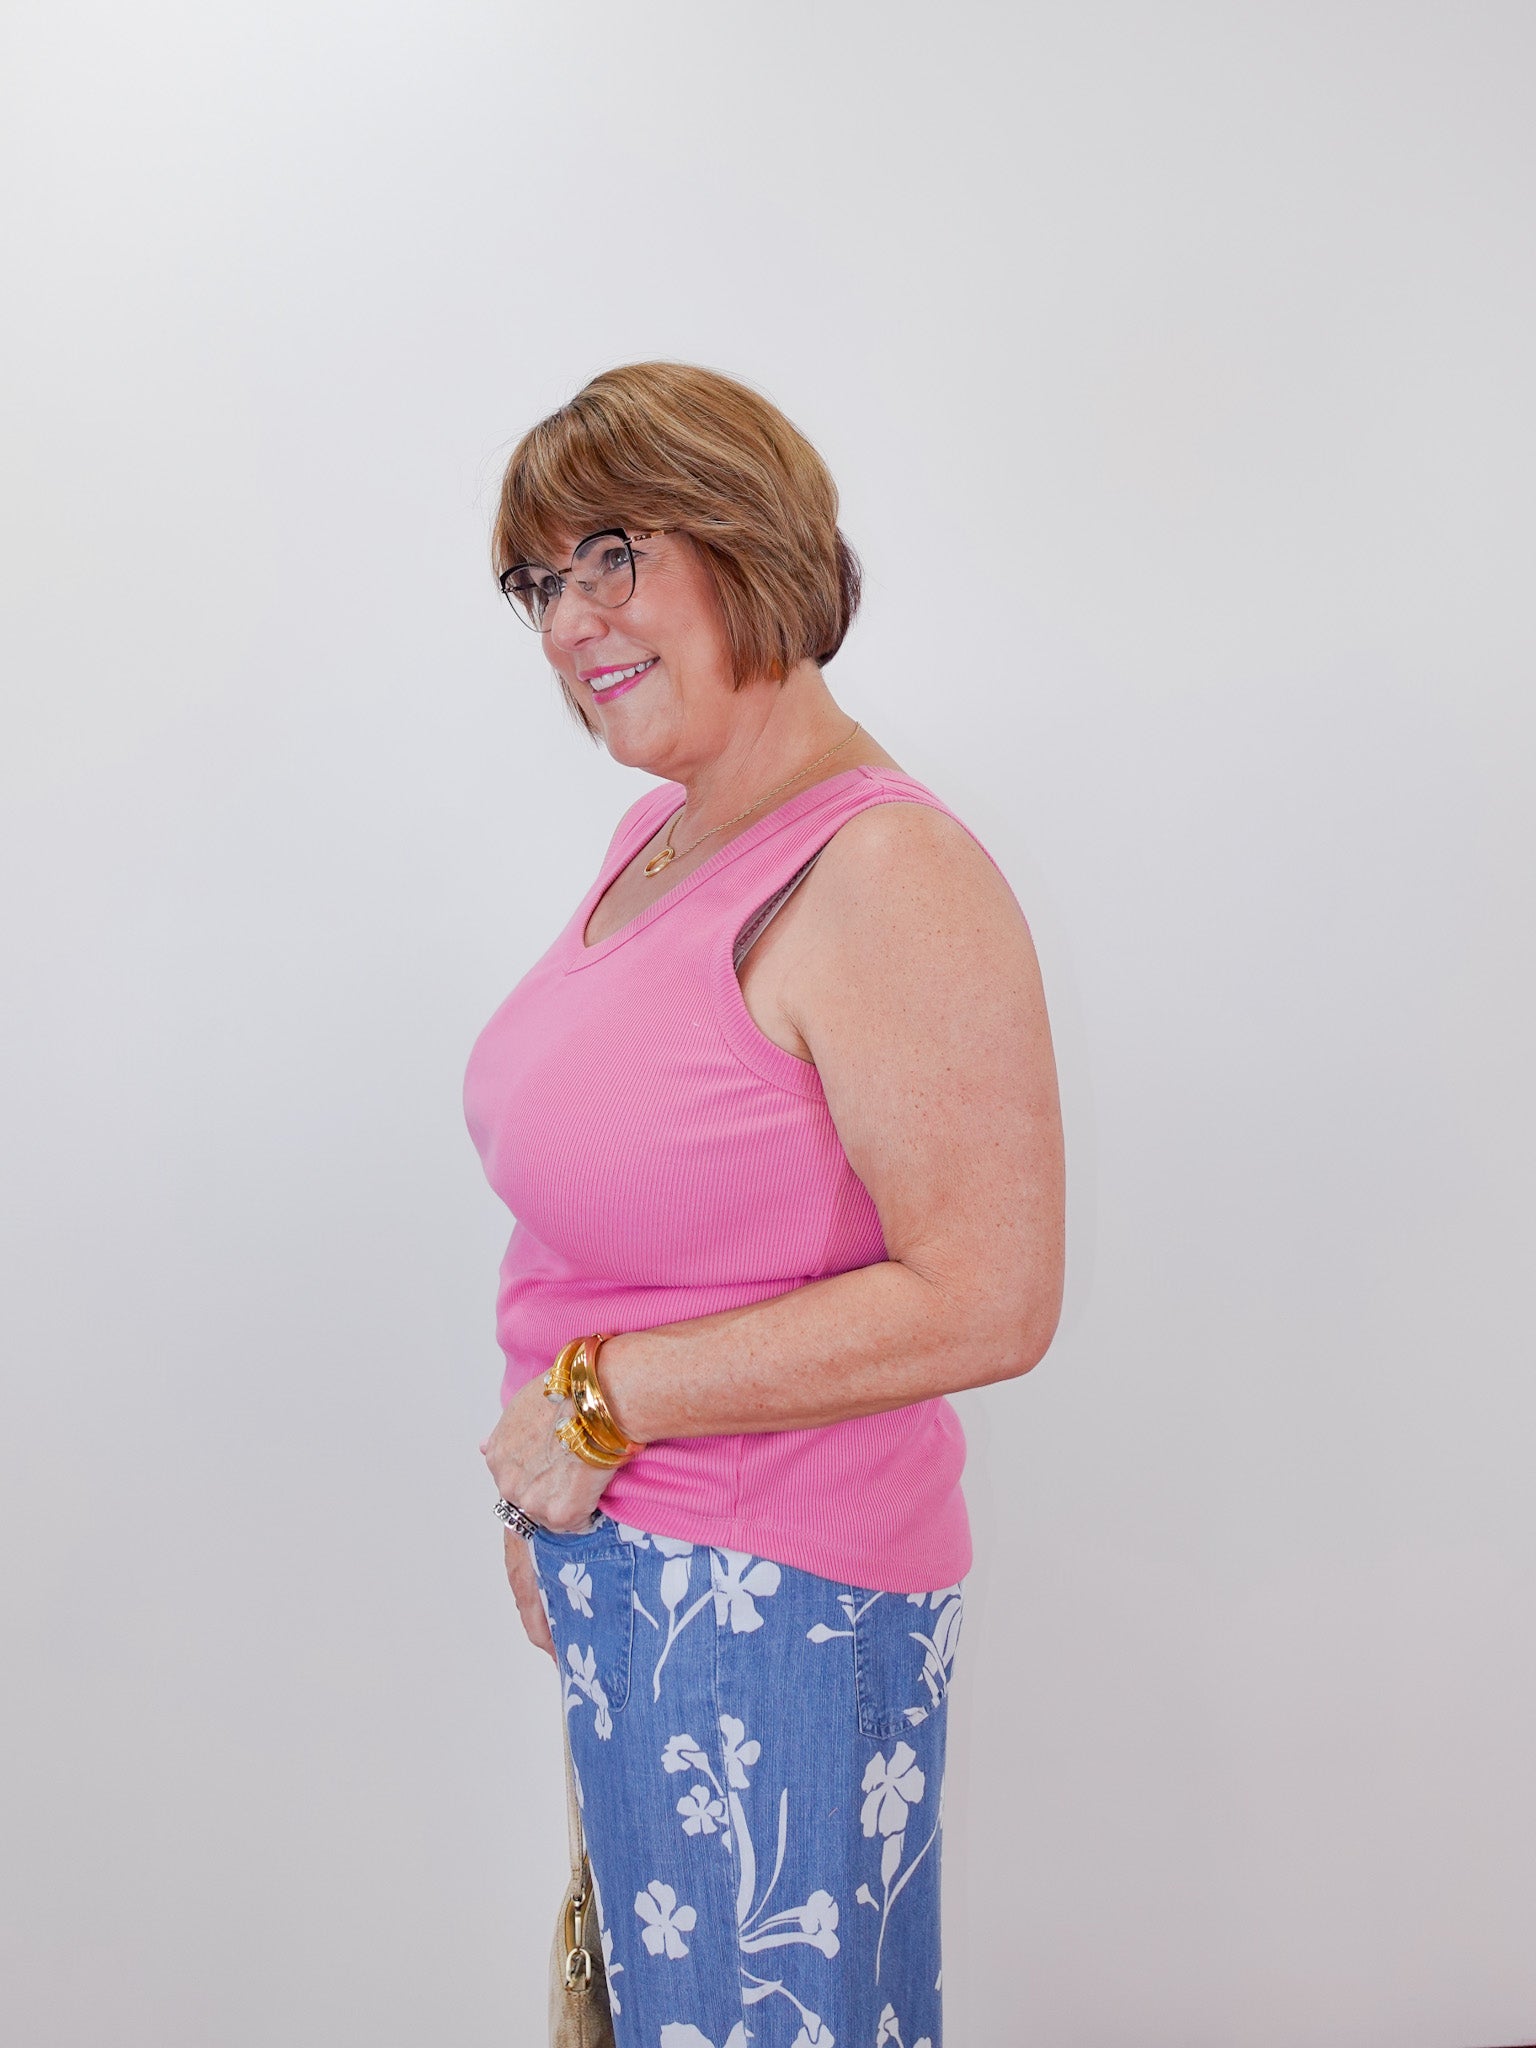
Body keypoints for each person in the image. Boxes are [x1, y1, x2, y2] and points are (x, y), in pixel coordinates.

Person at [464, 362, 1065, 2048]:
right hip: (649, 1582)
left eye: (609, 552)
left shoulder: (882, 872)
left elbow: (989, 1295)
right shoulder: (662, 836)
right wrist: (555, 1477)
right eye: (538, 582)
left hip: (776, 1605)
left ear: (745, 534)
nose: (571, 618)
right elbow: (613, 1214)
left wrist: (599, 1406)